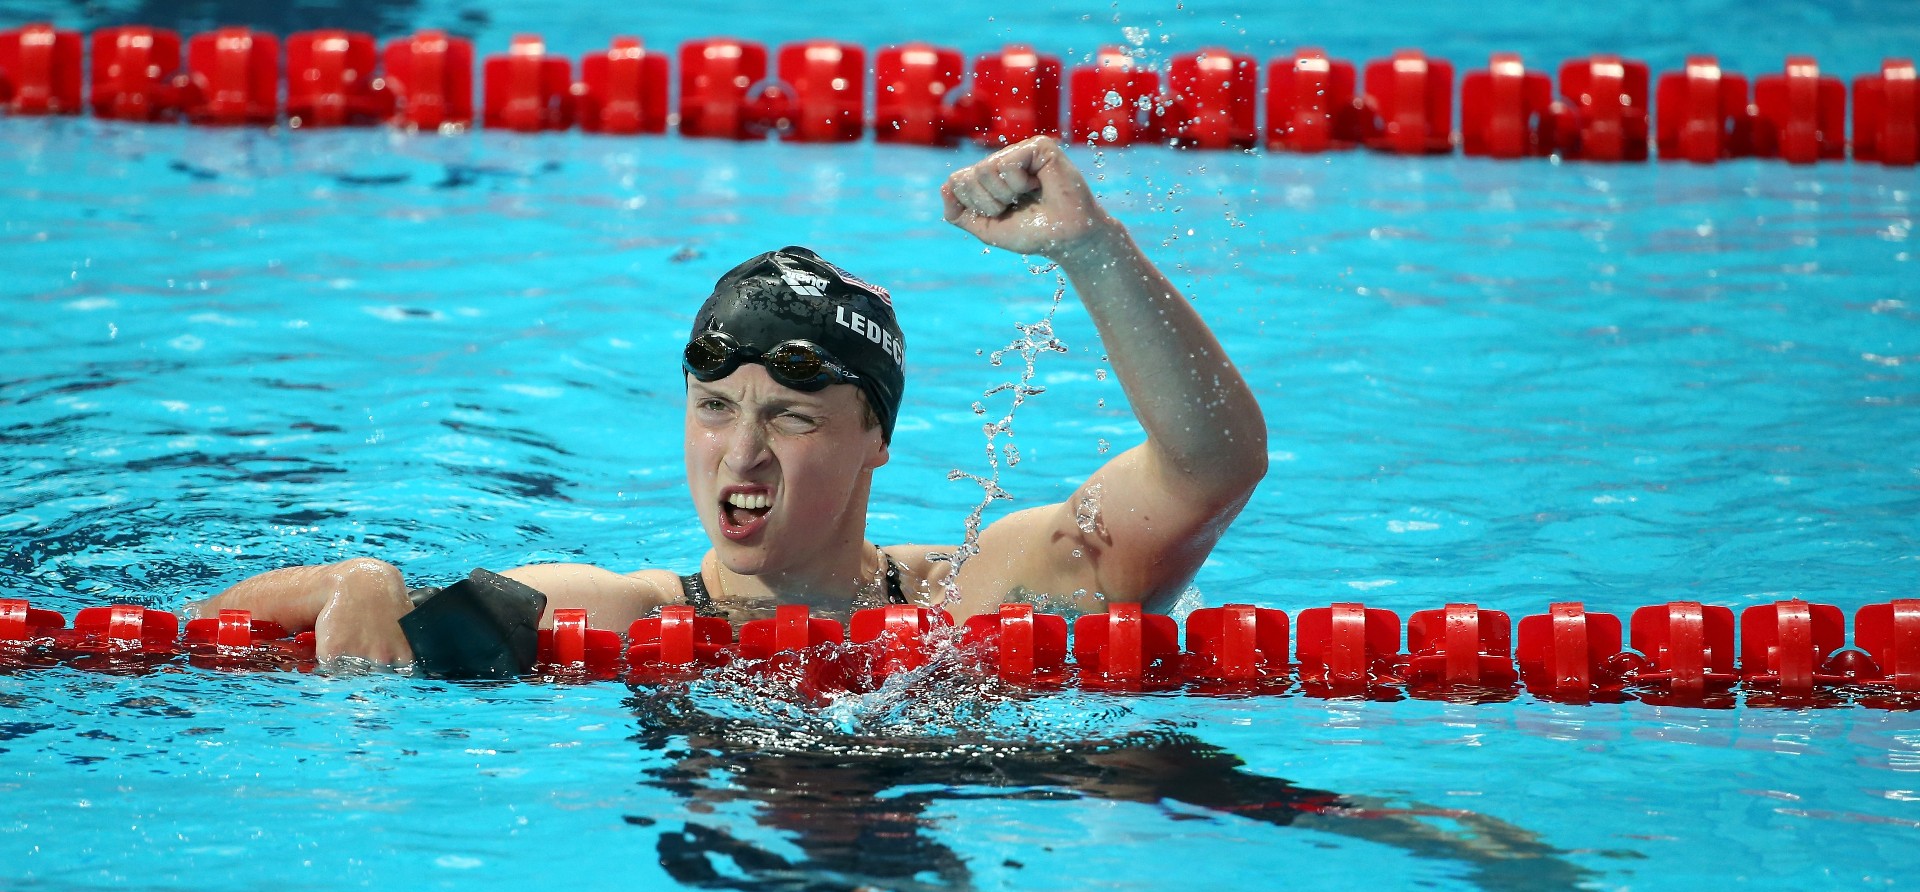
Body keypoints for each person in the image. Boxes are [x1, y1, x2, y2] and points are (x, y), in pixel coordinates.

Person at [195, 136, 1269, 665]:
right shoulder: (626, 615)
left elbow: (1211, 466)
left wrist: (1093, 249)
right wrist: (361, 581)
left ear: (876, 440)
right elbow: (200, 629)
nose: (739, 454)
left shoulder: (984, 593)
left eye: (791, 417)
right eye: (715, 406)